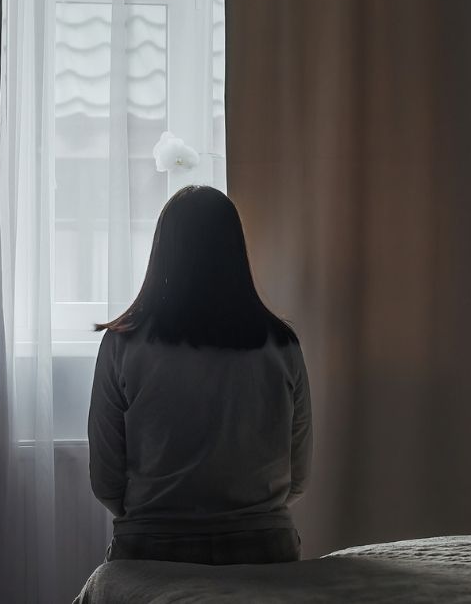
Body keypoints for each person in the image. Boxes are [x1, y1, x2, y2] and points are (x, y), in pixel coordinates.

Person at [88, 185, 312, 565]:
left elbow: (106, 481)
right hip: (263, 548)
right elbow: (299, 476)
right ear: (235, 252)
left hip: (151, 547)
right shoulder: (281, 345)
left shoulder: (121, 345)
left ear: (162, 252)